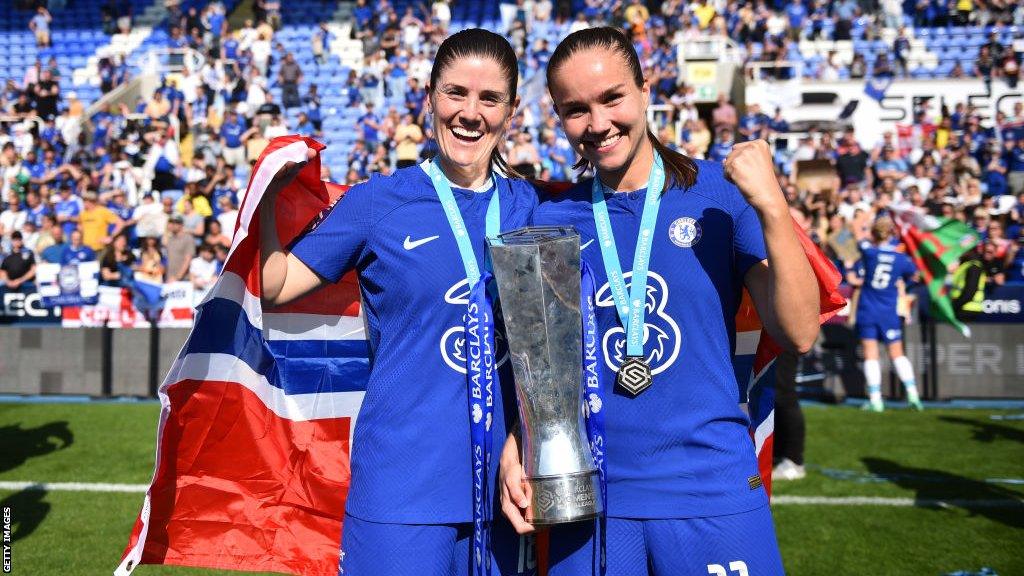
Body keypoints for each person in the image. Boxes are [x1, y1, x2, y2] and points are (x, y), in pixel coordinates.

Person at [500, 27, 819, 575]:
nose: (598, 124)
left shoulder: (718, 196)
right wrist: (515, 441)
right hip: (594, 502)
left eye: (612, 98)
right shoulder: (552, 220)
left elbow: (799, 331)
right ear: (557, 116)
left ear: (647, 91)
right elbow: (541, 365)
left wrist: (771, 203)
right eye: (576, 110)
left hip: (710, 487)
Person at [258, 29, 537, 576]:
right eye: (456, 93)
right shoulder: (378, 202)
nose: (470, 113)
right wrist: (269, 192)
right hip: (401, 486)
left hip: (510, 488)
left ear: (512, 110)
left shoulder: (532, 206)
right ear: (429, 95)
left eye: (489, 98)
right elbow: (276, 283)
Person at [845, 216, 921, 412]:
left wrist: (868, 215)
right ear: (892, 233)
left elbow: (854, 228)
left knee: (871, 354)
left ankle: (876, 399)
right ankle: (913, 394)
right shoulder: (900, 258)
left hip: (868, 308)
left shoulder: (869, 252)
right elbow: (915, 274)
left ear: (874, 233)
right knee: (897, 353)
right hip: (889, 311)